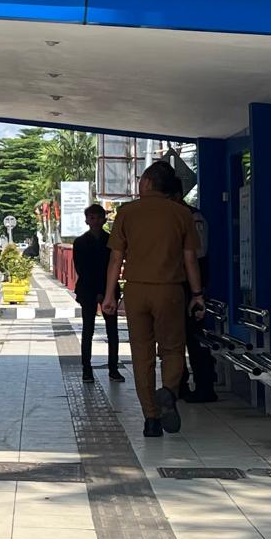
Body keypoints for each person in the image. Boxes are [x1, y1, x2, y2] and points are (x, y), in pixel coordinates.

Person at [103, 161, 204, 438]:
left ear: (146, 183)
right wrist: (197, 294)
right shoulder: (181, 214)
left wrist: (111, 294)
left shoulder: (127, 213)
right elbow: (190, 259)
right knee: (172, 350)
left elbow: (115, 258)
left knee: (141, 355)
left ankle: (150, 419)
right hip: (170, 290)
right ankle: (168, 392)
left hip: (136, 291)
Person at [166, 175, 218, 403]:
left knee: (195, 338)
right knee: (175, 337)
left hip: (192, 288)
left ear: (177, 196)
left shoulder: (193, 218)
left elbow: (198, 253)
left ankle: (205, 385)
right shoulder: (173, 219)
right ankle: (180, 384)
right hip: (176, 286)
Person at [72, 204, 123, 384]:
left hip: (109, 289)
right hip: (87, 290)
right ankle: (87, 370)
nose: (95, 221)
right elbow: (81, 269)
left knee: (113, 332)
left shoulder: (111, 241)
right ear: (86, 220)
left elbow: (113, 266)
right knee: (88, 330)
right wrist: (96, 292)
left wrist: (104, 292)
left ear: (104, 219)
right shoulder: (79, 242)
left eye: (98, 217)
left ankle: (114, 369)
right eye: (91, 218)